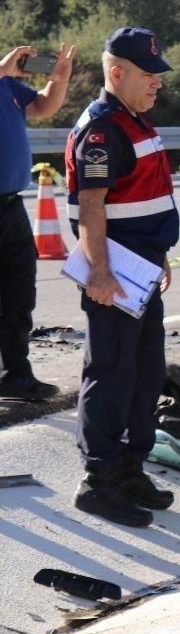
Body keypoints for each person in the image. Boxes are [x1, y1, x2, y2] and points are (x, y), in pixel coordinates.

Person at [65, 27, 180, 528]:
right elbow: (90, 206)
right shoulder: (102, 130)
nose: (157, 82)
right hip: (115, 270)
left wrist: (162, 254)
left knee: (145, 371)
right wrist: (99, 272)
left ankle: (129, 468)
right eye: (148, 74)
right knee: (110, 372)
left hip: (143, 265)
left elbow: (145, 198)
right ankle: (98, 480)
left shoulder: (135, 119)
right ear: (117, 73)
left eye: (157, 74)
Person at [0, 43, 75, 401]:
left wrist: (58, 81)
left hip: (11, 207)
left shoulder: (7, 85)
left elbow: (43, 106)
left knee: (19, 295)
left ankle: (16, 375)